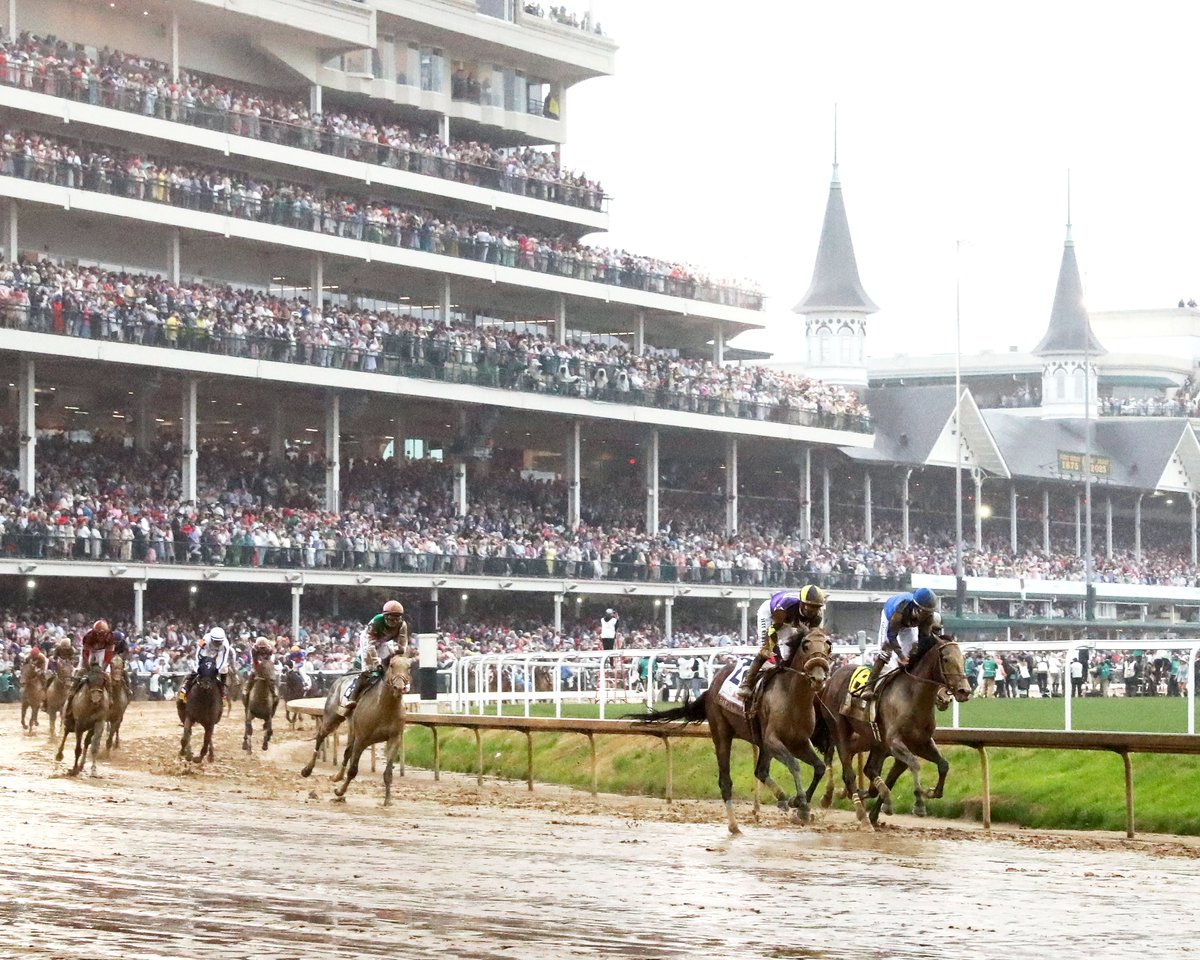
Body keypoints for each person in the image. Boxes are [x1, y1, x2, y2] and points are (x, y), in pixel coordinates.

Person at [737, 584, 826, 703]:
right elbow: (773, 631)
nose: (813, 610)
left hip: (790, 620)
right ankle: (746, 683)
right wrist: (772, 650)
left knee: (788, 653)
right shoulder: (785, 609)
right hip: (770, 615)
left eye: (816, 607)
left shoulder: (817, 616)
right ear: (802, 603)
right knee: (767, 650)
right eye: (810, 606)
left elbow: (812, 637)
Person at [860, 587, 938, 701]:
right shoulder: (900, 610)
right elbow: (891, 636)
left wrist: (915, 655)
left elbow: (923, 640)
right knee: (885, 652)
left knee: (913, 651)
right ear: (916, 607)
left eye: (929, 613)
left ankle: (910, 686)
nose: (926, 616)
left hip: (908, 625)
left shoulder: (928, 617)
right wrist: (901, 656)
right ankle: (869, 686)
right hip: (889, 617)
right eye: (924, 612)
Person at [336, 599, 408, 720]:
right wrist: (376, 662)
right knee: (368, 669)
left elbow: (402, 644)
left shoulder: (403, 625)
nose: (394, 622)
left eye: (397, 619)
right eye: (391, 619)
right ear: (385, 617)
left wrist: (399, 654)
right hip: (369, 640)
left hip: (385, 641)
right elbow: (370, 646)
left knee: (394, 665)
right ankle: (351, 698)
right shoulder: (376, 621)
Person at [180, 626, 234, 702]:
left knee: (224, 668)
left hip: (218, 655)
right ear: (211, 639)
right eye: (216, 642)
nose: (218, 644)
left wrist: (215, 670)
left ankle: (222, 689)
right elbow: (198, 653)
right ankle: (186, 686)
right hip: (205, 653)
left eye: (220, 642)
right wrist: (201, 666)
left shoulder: (225, 644)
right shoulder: (204, 640)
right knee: (197, 669)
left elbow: (223, 660)